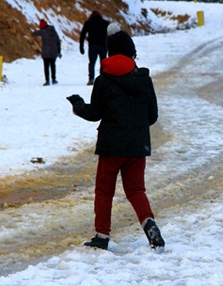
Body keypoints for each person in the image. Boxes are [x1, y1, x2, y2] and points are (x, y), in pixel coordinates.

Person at [66, 30, 164, 253]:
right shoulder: (144, 79)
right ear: (131, 51)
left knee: (104, 191)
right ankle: (149, 224)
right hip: (138, 145)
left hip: (111, 145)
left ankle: (102, 236)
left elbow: (94, 113)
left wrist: (78, 105)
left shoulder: (103, 80)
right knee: (136, 190)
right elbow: (153, 116)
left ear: (110, 52)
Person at [79, 11, 110, 85]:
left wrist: (81, 47)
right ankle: (103, 78)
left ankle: (91, 79)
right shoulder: (105, 23)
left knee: (92, 63)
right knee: (103, 62)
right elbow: (110, 34)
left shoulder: (89, 22)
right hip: (103, 45)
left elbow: (82, 34)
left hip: (93, 45)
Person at [32, 19, 61, 86]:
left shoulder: (43, 32)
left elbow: (35, 33)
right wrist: (59, 51)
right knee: (53, 65)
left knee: (46, 66)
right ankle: (54, 79)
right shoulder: (53, 31)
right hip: (54, 52)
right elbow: (58, 41)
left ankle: (47, 80)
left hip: (46, 52)